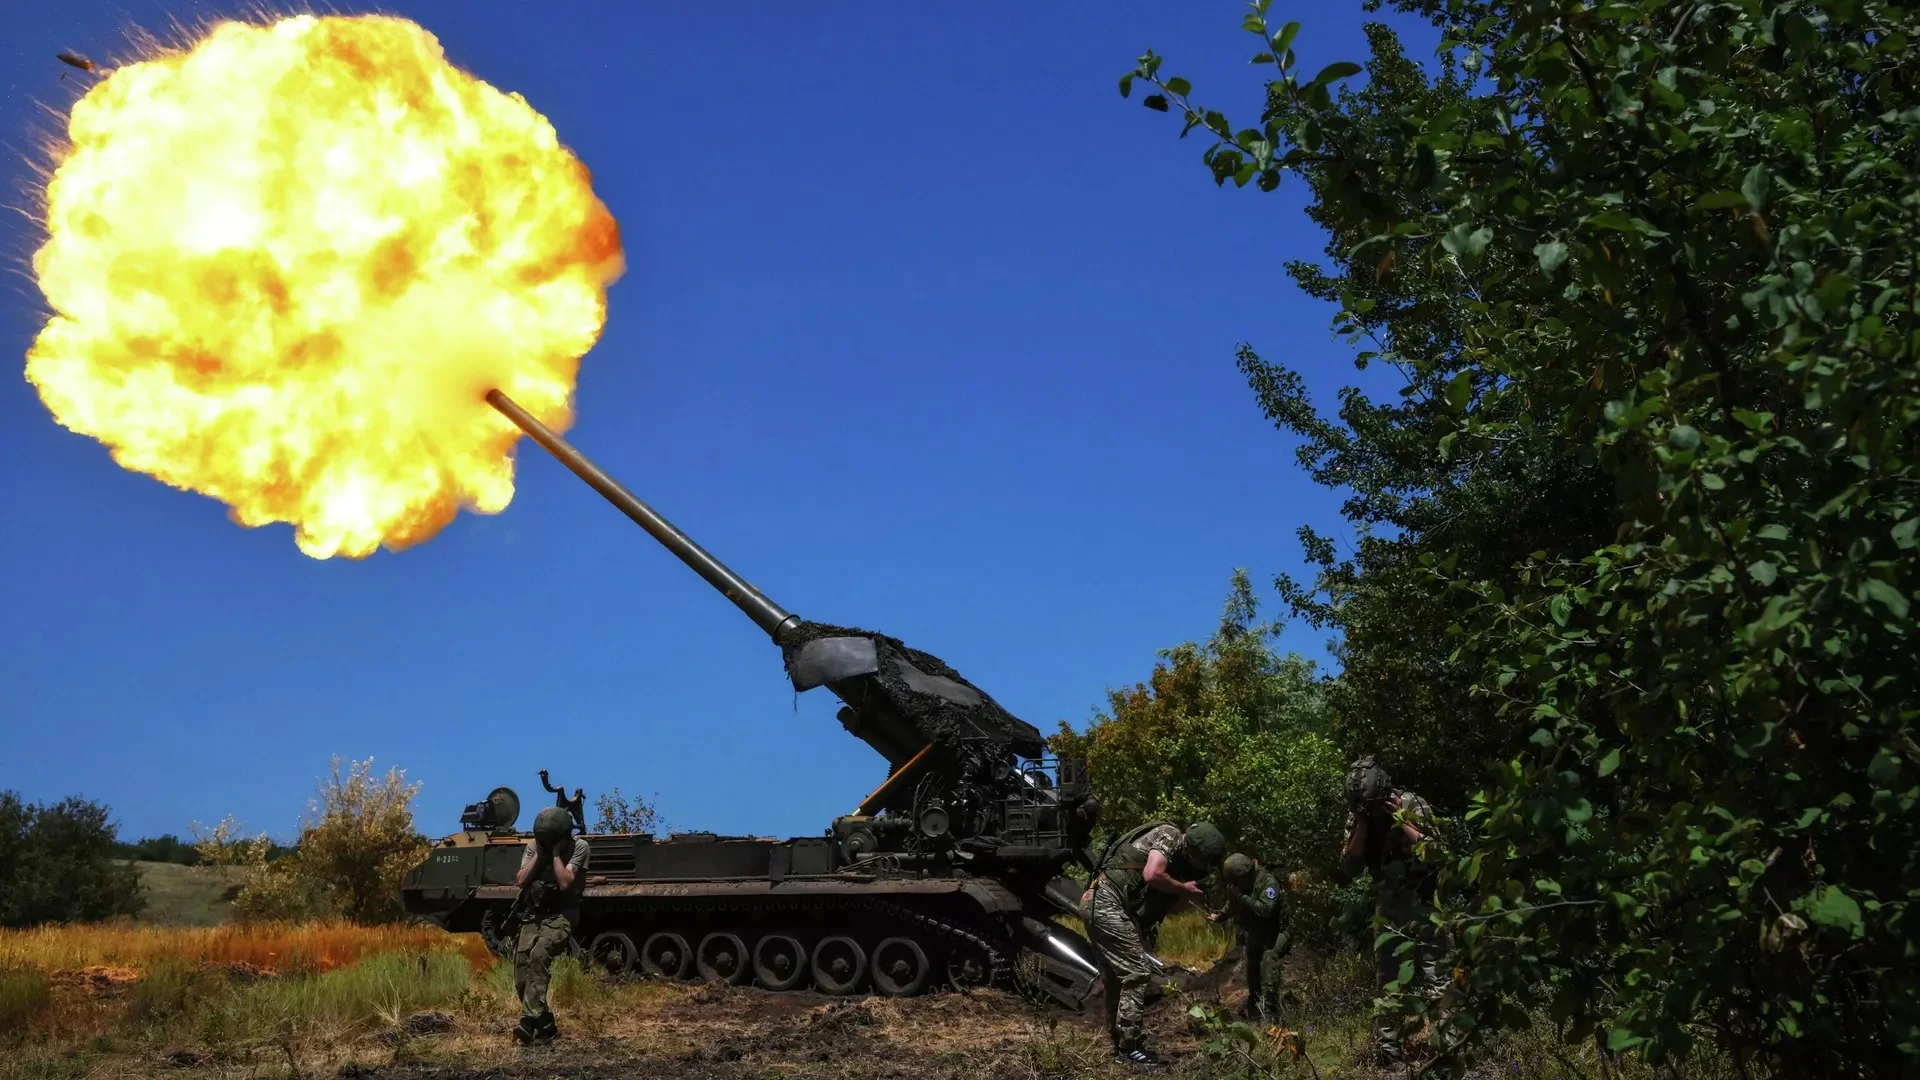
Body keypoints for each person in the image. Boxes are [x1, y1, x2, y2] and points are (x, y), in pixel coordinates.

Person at [1082, 820, 1228, 1067]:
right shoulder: (1170, 835)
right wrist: (1183, 887)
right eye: (1205, 862)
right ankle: (1130, 1047)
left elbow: (1169, 908)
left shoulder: (1177, 863)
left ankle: (1118, 1041)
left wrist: (1185, 893)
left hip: (1098, 904)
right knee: (1137, 972)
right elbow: (1151, 875)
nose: (1204, 868)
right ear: (1193, 850)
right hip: (1106, 903)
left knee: (1116, 977)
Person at [1337, 755, 1443, 1067]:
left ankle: (1449, 1048)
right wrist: (1364, 824)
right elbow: (1349, 867)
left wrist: (1403, 823)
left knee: (1438, 977)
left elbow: (1438, 854)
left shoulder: (1412, 803)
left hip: (1423, 899)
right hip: (1389, 902)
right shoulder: (1358, 815)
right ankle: (1389, 1053)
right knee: (1389, 981)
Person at [512, 806, 590, 1045]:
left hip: (561, 915)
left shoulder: (579, 847)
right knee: (522, 973)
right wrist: (540, 852)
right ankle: (546, 1025)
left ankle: (527, 1021)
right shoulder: (533, 847)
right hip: (533, 914)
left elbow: (566, 883)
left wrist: (555, 855)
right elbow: (521, 881)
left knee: (539, 955)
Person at [1212, 853, 1287, 1023]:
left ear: (1245, 876)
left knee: (1269, 960)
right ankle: (1255, 1002)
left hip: (1278, 931)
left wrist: (1242, 897)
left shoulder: (1268, 883)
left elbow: (1265, 910)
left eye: (1237, 881)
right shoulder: (1241, 886)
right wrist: (1220, 917)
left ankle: (1271, 1011)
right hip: (1258, 931)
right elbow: (1232, 903)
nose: (1235, 885)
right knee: (1252, 963)